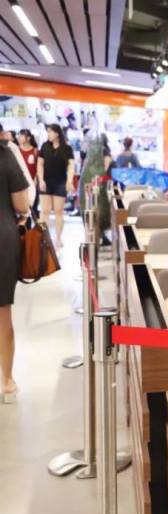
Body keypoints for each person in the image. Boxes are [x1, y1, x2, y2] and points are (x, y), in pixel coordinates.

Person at [0, 140, 31, 403]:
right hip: (2, 238)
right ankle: (7, 380)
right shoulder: (5, 155)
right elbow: (22, 204)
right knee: (2, 313)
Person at [38, 124, 75, 247]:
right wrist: (41, 180)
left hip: (60, 182)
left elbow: (71, 165)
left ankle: (58, 238)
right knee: (45, 211)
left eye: (50, 132)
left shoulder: (67, 148)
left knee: (59, 211)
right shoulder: (44, 146)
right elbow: (40, 164)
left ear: (57, 133)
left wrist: (69, 181)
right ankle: (43, 237)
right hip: (46, 182)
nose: (48, 134)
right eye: (47, 132)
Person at [17, 130, 38, 219]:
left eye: (21, 136)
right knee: (21, 209)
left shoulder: (35, 151)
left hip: (32, 184)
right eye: (19, 136)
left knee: (33, 208)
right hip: (19, 183)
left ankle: (35, 227)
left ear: (28, 138)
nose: (19, 138)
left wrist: (36, 180)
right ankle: (23, 226)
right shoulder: (16, 150)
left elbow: (38, 167)